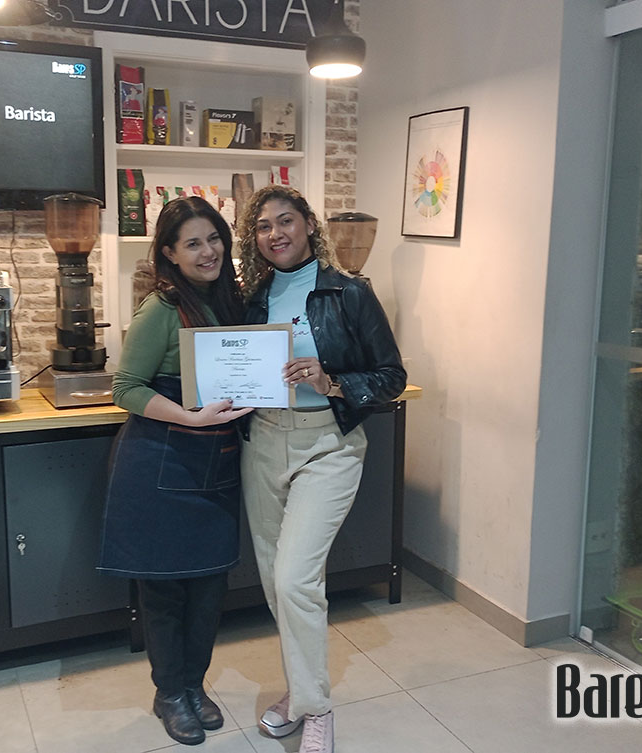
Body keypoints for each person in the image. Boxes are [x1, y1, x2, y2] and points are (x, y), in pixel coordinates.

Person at [236, 185, 407, 753]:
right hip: (264, 442)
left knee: (295, 579)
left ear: (309, 224)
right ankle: (300, 689)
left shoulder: (349, 292)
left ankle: (316, 709)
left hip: (328, 445)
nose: (275, 234)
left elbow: (391, 376)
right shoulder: (254, 296)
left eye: (286, 221)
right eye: (264, 226)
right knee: (275, 582)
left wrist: (330, 381)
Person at [98, 196, 252, 746]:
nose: (208, 251)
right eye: (193, 243)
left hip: (216, 463)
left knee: (209, 586)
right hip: (160, 460)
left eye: (214, 239)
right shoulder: (161, 309)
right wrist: (190, 416)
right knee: (164, 591)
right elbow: (126, 389)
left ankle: (193, 685)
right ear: (169, 253)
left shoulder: (231, 302)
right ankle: (169, 693)